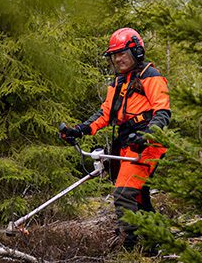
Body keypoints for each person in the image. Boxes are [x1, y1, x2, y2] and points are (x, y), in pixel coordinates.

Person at [59, 27, 170, 251]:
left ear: (136, 52)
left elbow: (162, 112)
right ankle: (157, 242)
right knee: (138, 196)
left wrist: (147, 135)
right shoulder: (118, 82)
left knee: (124, 192)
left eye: (122, 53)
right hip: (126, 142)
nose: (118, 59)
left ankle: (131, 247)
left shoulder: (151, 76)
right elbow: (104, 114)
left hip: (146, 144)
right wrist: (79, 130)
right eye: (115, 55)